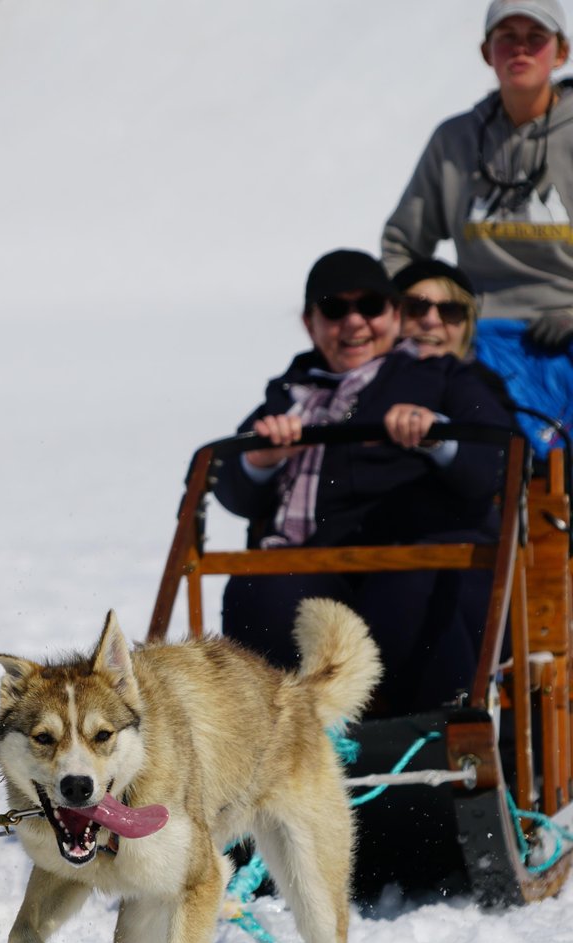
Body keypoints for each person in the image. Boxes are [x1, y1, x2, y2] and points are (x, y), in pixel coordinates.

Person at [215, 249, 512, 714]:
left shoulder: (440, 377)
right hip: (319, 561)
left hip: (423, 554)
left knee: (411, 586)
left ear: (394, 316)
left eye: (370, 307)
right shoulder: (290, 394)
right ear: (311, 323)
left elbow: (493, 460)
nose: (354, 323)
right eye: (335, 309)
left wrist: (436, 436)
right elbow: (231, 489)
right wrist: (264, 458)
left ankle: (437, 729)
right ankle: (275, 737)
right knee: (259, 588)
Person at [382, 0, 573, 456]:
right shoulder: (455, 140)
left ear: (560, 53)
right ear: (488, 52)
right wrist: (425, 315)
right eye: (507, 37)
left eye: (536, 38)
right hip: (478, 334)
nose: (520, 49)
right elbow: (401, 245)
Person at [392, 259, 479, 360]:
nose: (431, 321)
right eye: (416, 307)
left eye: (450, 311)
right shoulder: (372, 374)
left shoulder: (483, 376)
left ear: (467, 328)